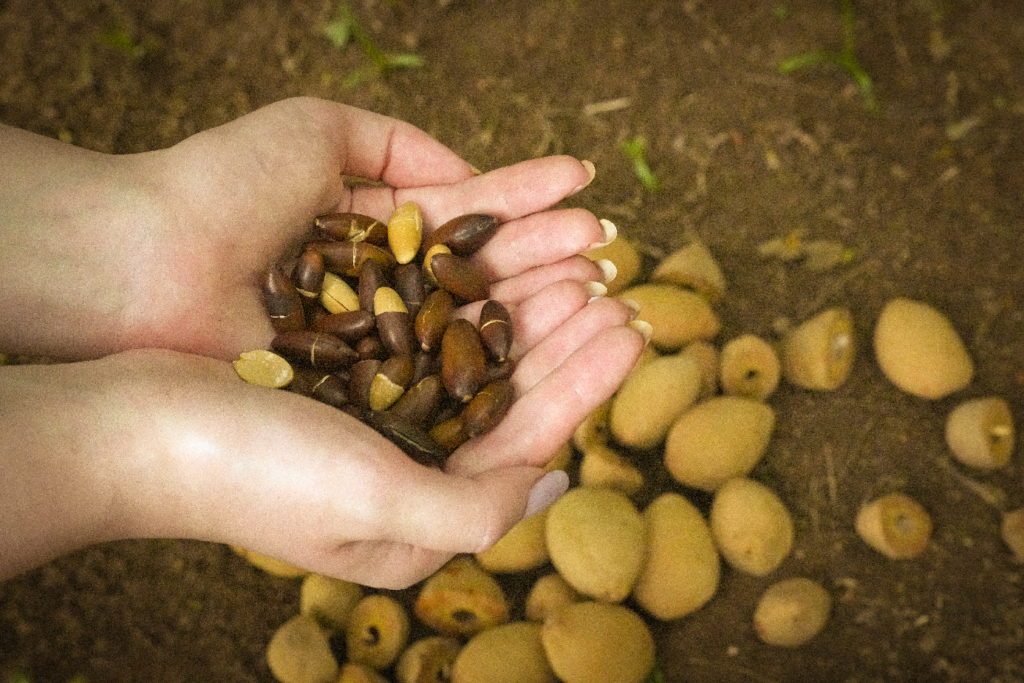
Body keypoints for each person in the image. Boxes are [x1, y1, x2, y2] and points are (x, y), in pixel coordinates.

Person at [0, 97, 648, 589]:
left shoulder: (398, 320)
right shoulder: (381, 318)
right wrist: (162, 456)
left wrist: (128, 242)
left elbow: (407, 338)